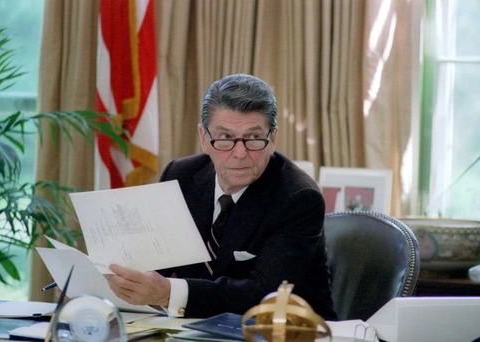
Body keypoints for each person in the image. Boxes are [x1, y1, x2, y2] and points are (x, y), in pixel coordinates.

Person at [104, 74, 337, 320]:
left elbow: (263, 294)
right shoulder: (182, 176)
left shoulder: (298, 198)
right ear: (204, 139)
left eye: (254, 138)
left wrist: (167, 293)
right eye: (225, 138)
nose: (239, 153)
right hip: (194, 329)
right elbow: (157, 263)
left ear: (273, 139)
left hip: (289, 332)